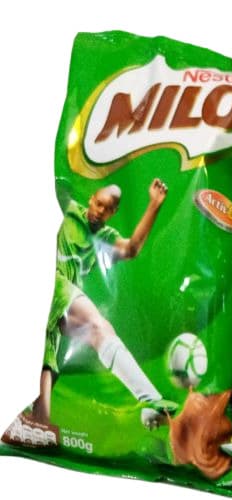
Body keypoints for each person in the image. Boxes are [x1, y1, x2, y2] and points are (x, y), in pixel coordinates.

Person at [31, 178, 177, 430]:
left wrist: (154, 205)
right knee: (98, 326)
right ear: (91, 199)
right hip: (55, 283)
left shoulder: (105, 236)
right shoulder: (70, 210)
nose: (99, 211)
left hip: (59, 299)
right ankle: (151, 399)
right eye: (98, 203)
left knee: (48, 367)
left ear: (114, 212)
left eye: (107, 208)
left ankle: (36, 428)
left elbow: (131, 248)